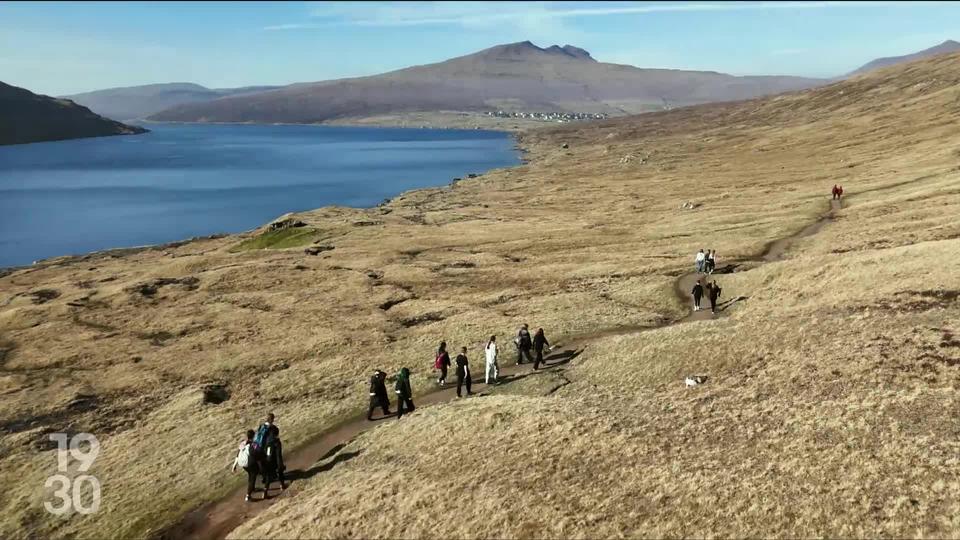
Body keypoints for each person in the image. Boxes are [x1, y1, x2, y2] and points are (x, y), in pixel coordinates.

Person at [232, 429, 259, 502]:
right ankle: (248, 496)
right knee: (253, 476)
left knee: (251, 474)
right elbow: (257, 451)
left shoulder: (242, 443)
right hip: (249, 463)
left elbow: (238, 454)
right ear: (253, 436)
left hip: (242, 463)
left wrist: (234, 465)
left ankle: (252, 488)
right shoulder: (254, 444)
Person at [264, 424, 286, 492]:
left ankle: (265, 490)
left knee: (268, 475)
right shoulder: (277, 442)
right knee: (280, 471)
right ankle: (282, 485)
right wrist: (281, 464)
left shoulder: (267, 442)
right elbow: (278, 455)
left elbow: (267, 453)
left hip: (269, 461)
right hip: (276, 460)